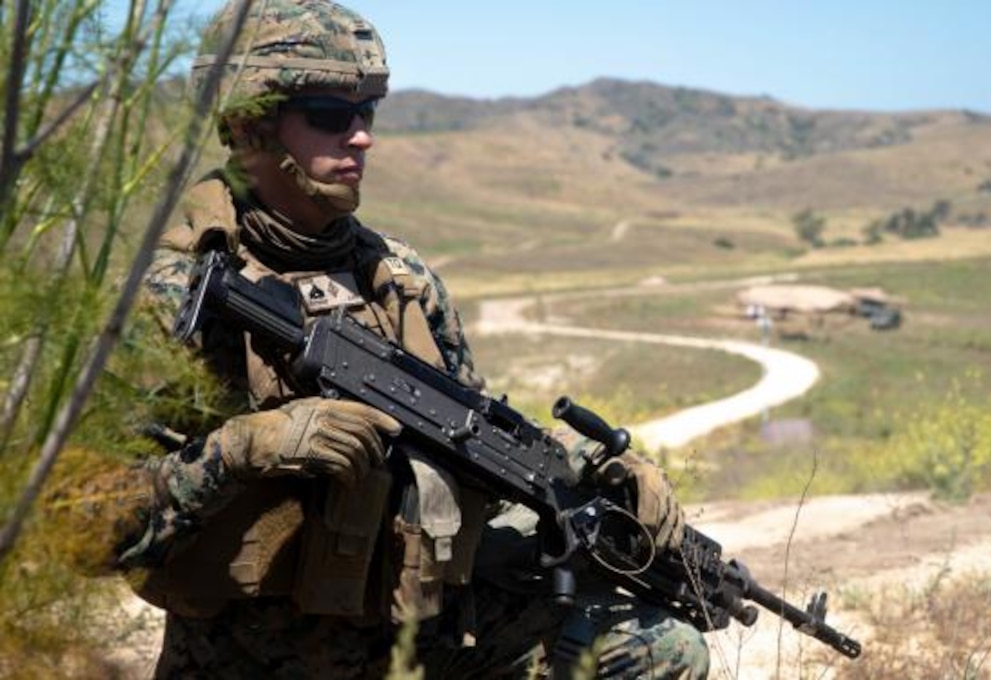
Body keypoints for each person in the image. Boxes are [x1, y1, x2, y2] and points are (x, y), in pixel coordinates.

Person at [101, 1, 711, 677]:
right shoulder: (171, 295)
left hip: (417, 640)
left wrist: (592, 472)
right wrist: (246, 448)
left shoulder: (398, 277)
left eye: (368, 114)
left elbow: (471, 434)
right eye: (332, 115)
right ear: (250, 124)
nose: (360, 137)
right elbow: (89, 530)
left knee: (661, 650)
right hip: (247, 658)